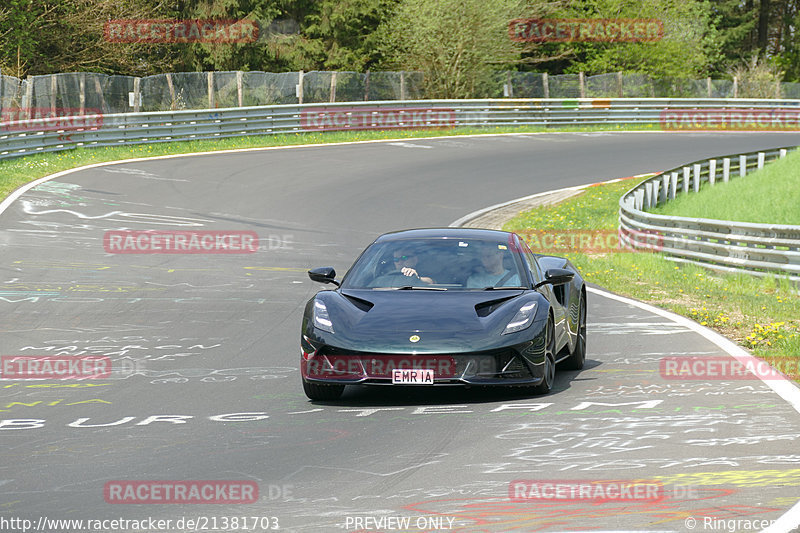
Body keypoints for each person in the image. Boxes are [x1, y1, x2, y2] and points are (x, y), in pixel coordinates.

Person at [370, 247, 434, 287]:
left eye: (404, 258)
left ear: (415, 259)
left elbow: (432, 282)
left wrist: (417, 278)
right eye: (396, 259)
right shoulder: (383, 276)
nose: (399, 262)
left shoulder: (426, 272)